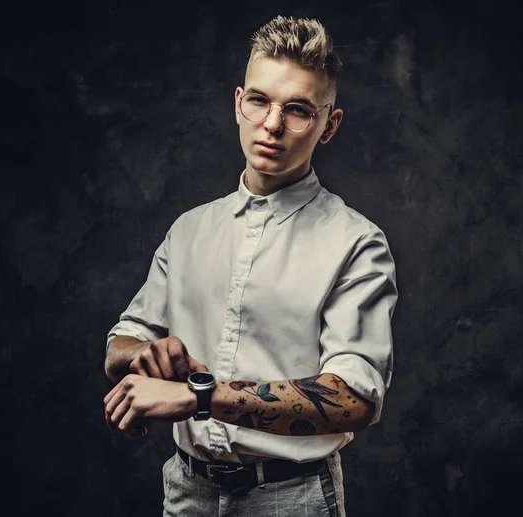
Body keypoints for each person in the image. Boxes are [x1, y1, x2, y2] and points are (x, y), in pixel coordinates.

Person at [104, 15, 398, 517]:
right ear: (238, 102)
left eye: (299, 110)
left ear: (330, 124)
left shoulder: (356, 242)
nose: (273, 124)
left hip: (293, 497)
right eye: (260, 100)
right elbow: (121, 342)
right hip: (186, 491)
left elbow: (354, 400)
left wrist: (198, 397)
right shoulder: (189, 229)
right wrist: (146, 355)